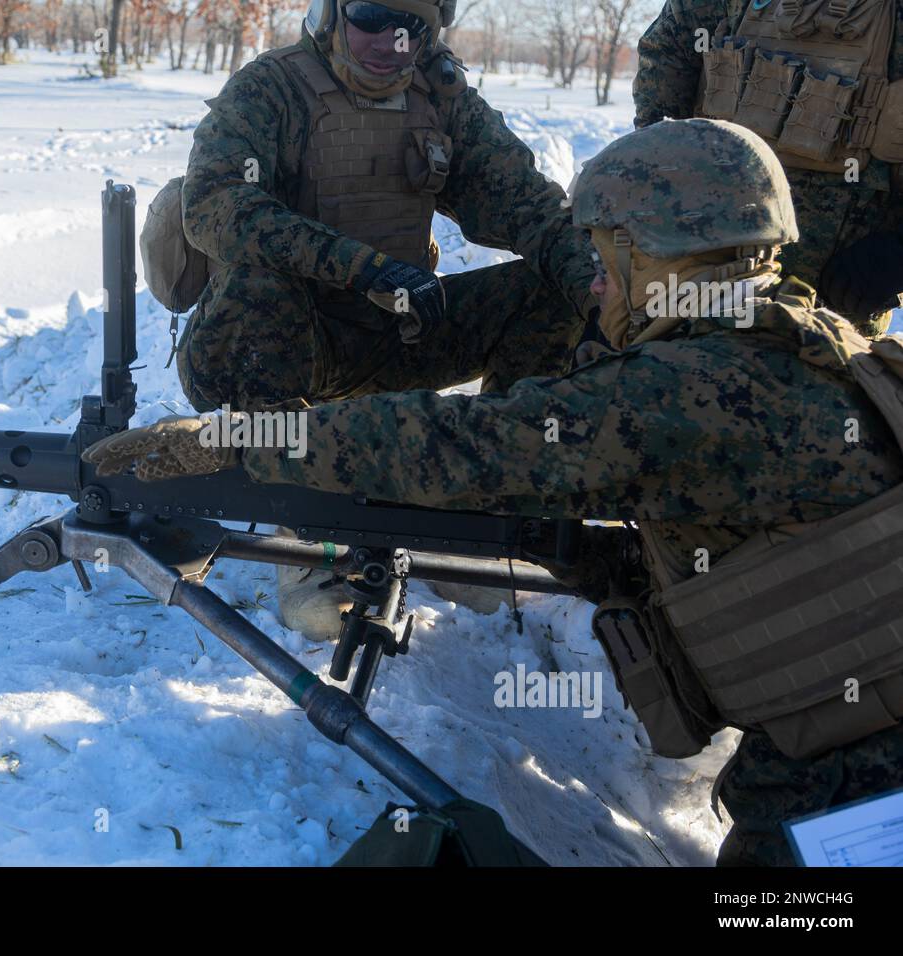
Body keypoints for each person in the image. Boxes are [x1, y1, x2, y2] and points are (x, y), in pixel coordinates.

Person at [86, 118, 903, 865]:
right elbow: (771, 552)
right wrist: (598, 559)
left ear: (655, 254)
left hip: (862, 789)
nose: (594, 287)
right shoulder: (816, 345)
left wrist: (238, 437)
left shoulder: (687, 389)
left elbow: (456, 446)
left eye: (605, 257)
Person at [174, 0, 599, 415]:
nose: (387, 42)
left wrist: (601, 294)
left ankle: (503, 454)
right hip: (289, 339)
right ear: (329, 13)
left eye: (408, 27)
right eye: (370, 19)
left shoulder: (439, 97)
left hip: (401, 335)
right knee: (254, 288)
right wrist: (362, 267)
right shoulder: (270, 88)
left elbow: (525, 203)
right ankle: (265, 462)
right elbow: (214, 205)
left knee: (552, 288)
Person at [634, 0, 903, 337]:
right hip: (707, 280)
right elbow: (667, 54)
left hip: (835, 310)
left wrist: (897, 251)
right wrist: (664, 178)